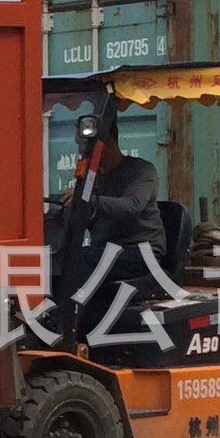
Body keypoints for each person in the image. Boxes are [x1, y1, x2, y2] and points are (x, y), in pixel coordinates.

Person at [75, 133, 169, 334]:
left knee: (84, 258)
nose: (84, 153)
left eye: (89, 148)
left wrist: (89, 201)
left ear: (108, 143)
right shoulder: (93, 178)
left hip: (139, 253)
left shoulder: (142, 171)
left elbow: (131, 206)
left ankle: (71, 323)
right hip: (108, 252)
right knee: (63, 256)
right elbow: (87, 217)